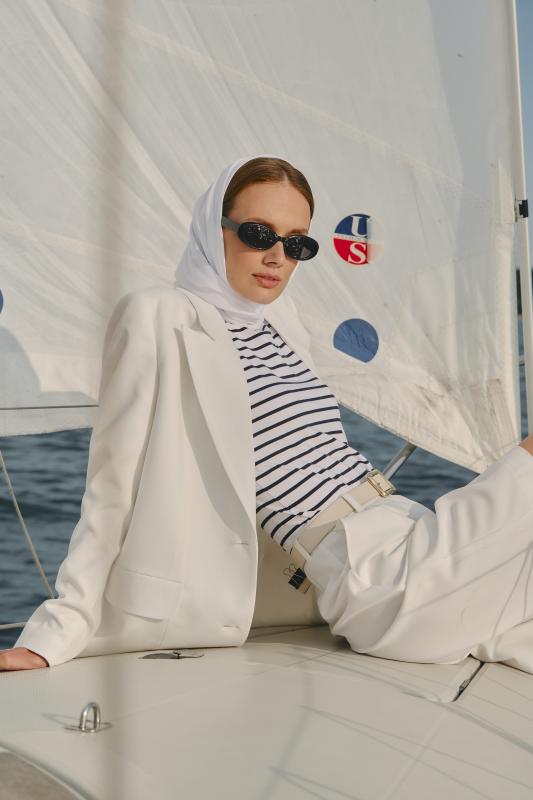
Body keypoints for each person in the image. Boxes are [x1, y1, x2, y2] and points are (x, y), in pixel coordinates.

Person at [3, 154, 533, 674]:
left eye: (297, 243)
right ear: (215, 228)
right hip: (376, 577)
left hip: (410, 531)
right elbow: (112, 486)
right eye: (259, 234)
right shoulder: (159, 316)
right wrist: (60, 629)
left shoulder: (283, 324)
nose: (278, 256)